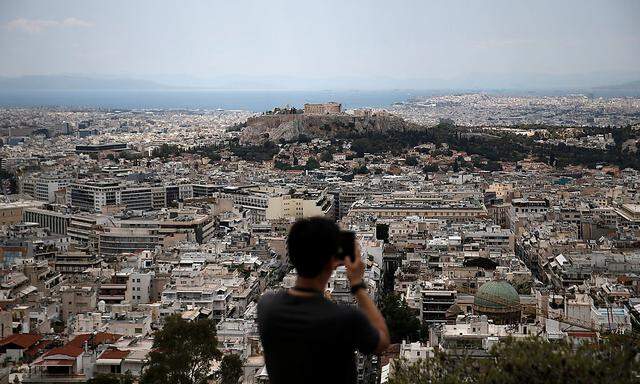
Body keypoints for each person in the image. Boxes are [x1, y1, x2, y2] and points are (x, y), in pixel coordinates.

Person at [257, 217, 390, 384]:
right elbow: (383, 341)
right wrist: (357, 284)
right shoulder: (345, 319)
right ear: (334, 261)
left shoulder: (267, 307)